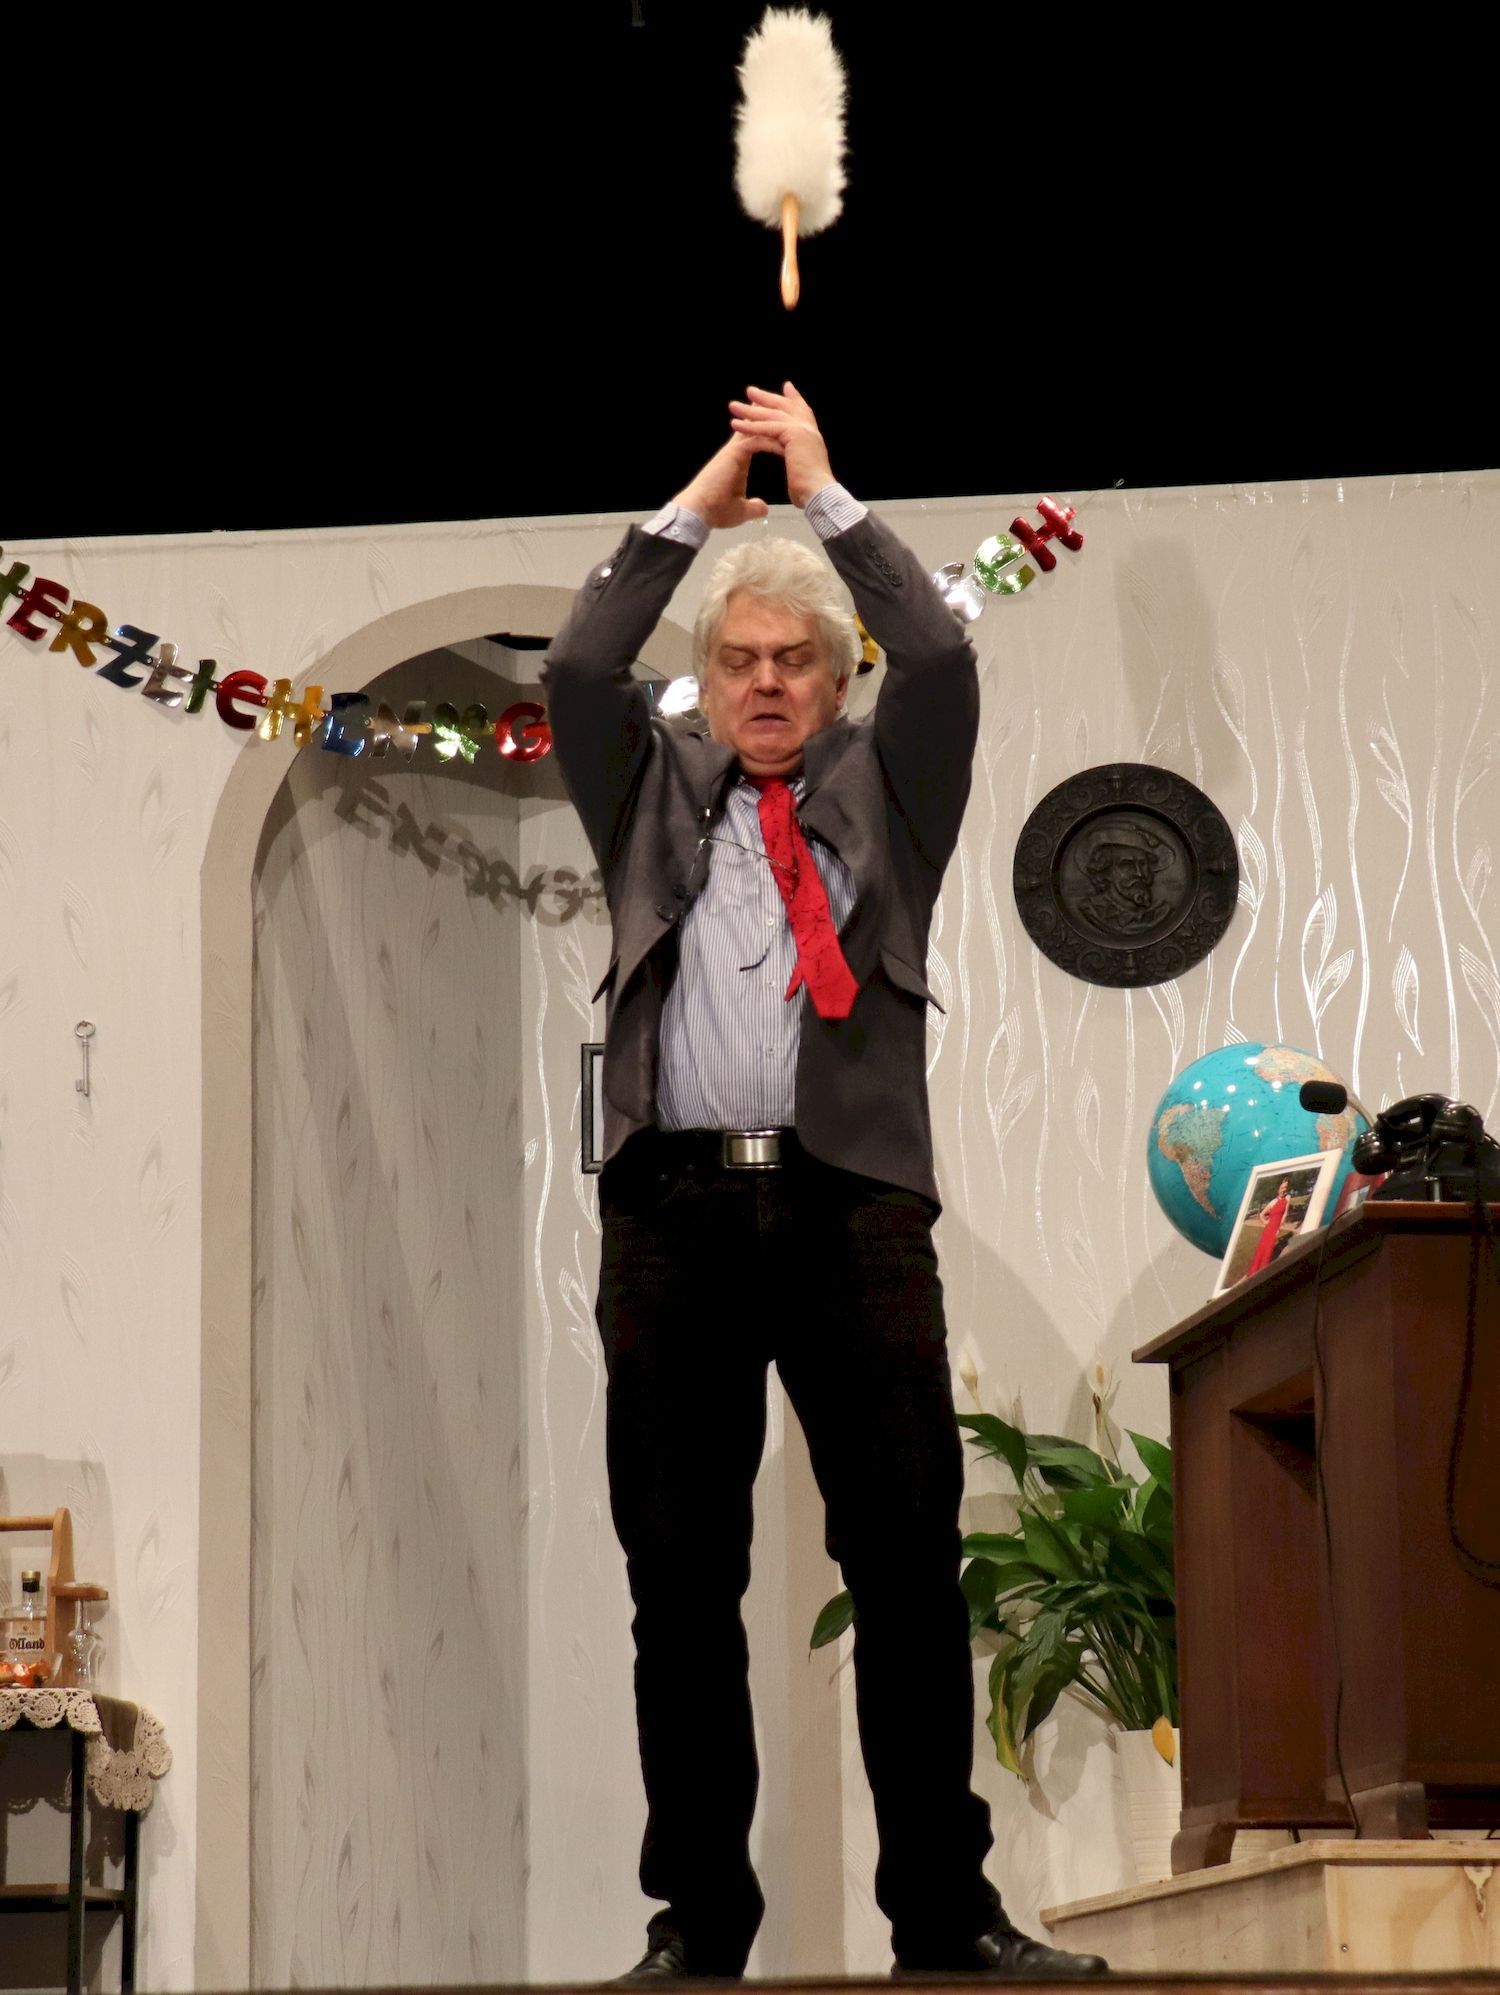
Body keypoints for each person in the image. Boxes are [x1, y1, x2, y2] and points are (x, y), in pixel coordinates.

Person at [541, 383, 1107, 1982]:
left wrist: (830, 492)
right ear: (708, 679)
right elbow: (579, 665)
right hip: (671, 1215)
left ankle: (943, 1912)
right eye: (739, 659)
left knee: (908, 1565)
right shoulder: (646, 787)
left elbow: (942, 655)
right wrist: (706, 503)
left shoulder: (892, 784)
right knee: (679, 1579)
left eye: (796, 658)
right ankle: (700, 1922)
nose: (767, 682)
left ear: (836, 677)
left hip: (854, 1208)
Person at [1247, 1178, 1293, 1275]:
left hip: (1275, 1229)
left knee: (1269, 1251)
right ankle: (1254, 1272)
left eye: (1285, 1188)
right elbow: (1261, 1214)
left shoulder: (1288, 1198)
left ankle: (1261, 1272)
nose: (1283, 1190)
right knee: (1262, 1249)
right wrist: (1266, 1222)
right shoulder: (1273, 1202)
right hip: (1269, 1228)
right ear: (1278, 1189)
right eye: (1282, 1188)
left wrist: (1279, 1228)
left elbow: (1285, 1213)